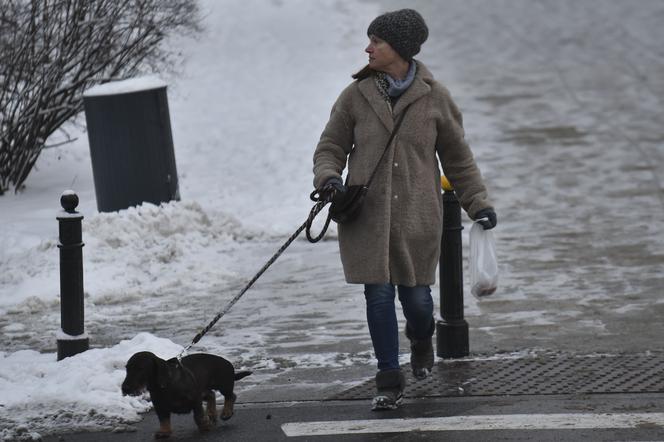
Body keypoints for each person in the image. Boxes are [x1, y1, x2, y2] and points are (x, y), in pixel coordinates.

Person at [312, 9, 497, 411]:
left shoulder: (435, 98)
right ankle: (388, 377)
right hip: (366, 218)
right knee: (377, 297)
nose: (368, 47)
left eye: (376, 41)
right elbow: (330, 147)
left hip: (417, 218)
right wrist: (329, 178)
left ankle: (421, 336)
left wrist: (478, 203)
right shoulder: (354, 96)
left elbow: (458, 159)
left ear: (397, 47)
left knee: (416, 302)